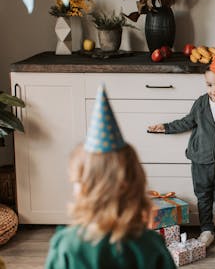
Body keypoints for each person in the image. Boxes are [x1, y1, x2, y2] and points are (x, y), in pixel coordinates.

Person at [45, 85, 176, 269]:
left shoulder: (67, 246)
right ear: (136, 183)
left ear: (84, 188)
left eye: (75, 181)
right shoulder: (151, 244)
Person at [148, 47, 215, 253]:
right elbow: (187, 121)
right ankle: (206, 230)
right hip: (199, 161)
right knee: (203, 197)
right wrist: (166, 127)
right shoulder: (201, 104)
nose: (214, 90)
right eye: (210, 85)